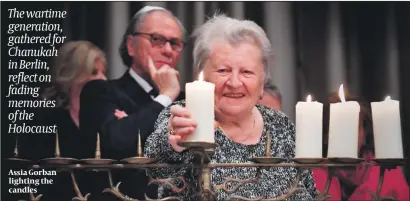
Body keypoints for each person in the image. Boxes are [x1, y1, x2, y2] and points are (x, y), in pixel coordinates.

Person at [144, 14, 318, 200]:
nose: (234, 82)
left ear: (262, 83)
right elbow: (155, 163)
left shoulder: (279, 123)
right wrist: (174, 142)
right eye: (223, 70)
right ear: (201, 77)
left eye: (247, 72)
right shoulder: (183, 117)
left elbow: (308, 190)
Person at [79, 6, 186, 199]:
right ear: (131, 45)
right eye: (157, 39)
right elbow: (112, 144)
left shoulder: (187, 100)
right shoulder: (101, 91)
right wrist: (166, 96)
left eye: (175, 43)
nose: (168, 50)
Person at [29, 41, 109, 201]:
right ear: (73, 74)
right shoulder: (44, 121)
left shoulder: (105, 119)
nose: (103, 78)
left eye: (103, 72)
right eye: (94, 72)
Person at [313, 92, 409, 201]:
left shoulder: (387, 173)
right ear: (325, 136)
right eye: (340, 128)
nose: (348, 135)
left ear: (364, 133)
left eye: (354, 127)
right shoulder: (312, 175)